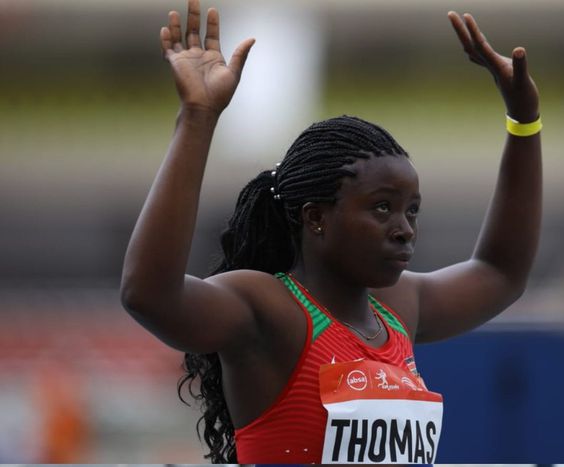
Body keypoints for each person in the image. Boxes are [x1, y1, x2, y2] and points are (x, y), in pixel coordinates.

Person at [120, 0, 542, 463]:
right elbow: (149, 294)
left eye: (412, 211)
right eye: (382, 208)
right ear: (316, 218)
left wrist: (524, 122)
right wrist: (197, 117)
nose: (404, 230)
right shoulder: (269, 310)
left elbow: (501, 273)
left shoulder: (398, 307)